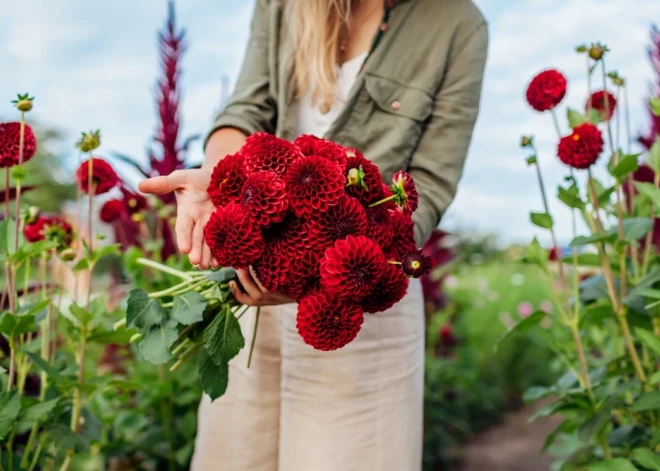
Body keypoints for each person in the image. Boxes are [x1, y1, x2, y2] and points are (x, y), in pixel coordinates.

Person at [139, 0, 488, 469]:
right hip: (257, 280)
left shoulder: (457, 24)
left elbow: (432, 181)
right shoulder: (281, 5)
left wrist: (338, 265)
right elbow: (245, 110)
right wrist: (220, 177)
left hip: (359, 302)